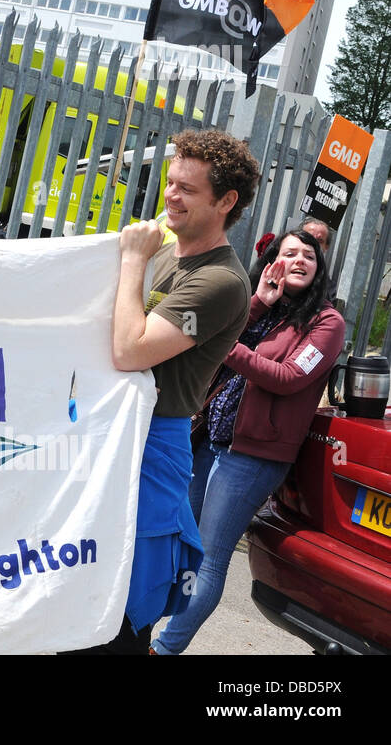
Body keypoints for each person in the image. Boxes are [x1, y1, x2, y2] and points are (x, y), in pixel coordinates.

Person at [99, 128, 260, 654]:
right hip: (112, 433)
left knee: (124, 610)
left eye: (187, 189)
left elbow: (129, 349)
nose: (171, 195)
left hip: (154, 442)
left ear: (226, 201)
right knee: (85, 585)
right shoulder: (167, 254)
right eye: (171, 183)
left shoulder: (222, 282)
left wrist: (131, 262)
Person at [153, 228, 343, 654]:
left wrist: (223, 345)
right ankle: (141, 632)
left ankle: (164, 648)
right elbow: (229, 335)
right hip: (210, 440)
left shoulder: (327, 323)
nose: (299, 260)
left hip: (253, 457)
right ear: (272, 262)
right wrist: (258, 301)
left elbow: (288, 377)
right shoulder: (264, 306)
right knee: (180, 545)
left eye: (308, 255)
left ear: (319, 268)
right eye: (289, 253)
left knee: (209, 558)